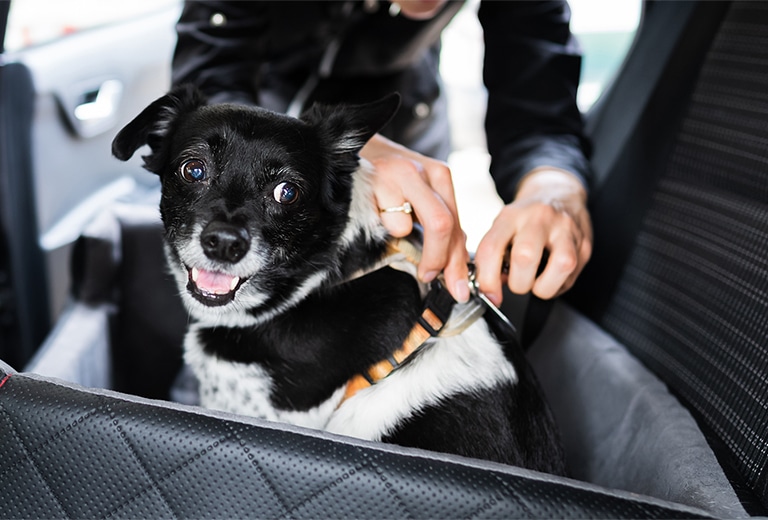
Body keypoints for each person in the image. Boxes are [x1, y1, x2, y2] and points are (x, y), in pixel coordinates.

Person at [172, 0, 593, 307]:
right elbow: (211, 74)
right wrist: (321, 154)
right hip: (260, 107)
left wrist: (553, 188)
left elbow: (539, 102)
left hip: (405, 115)